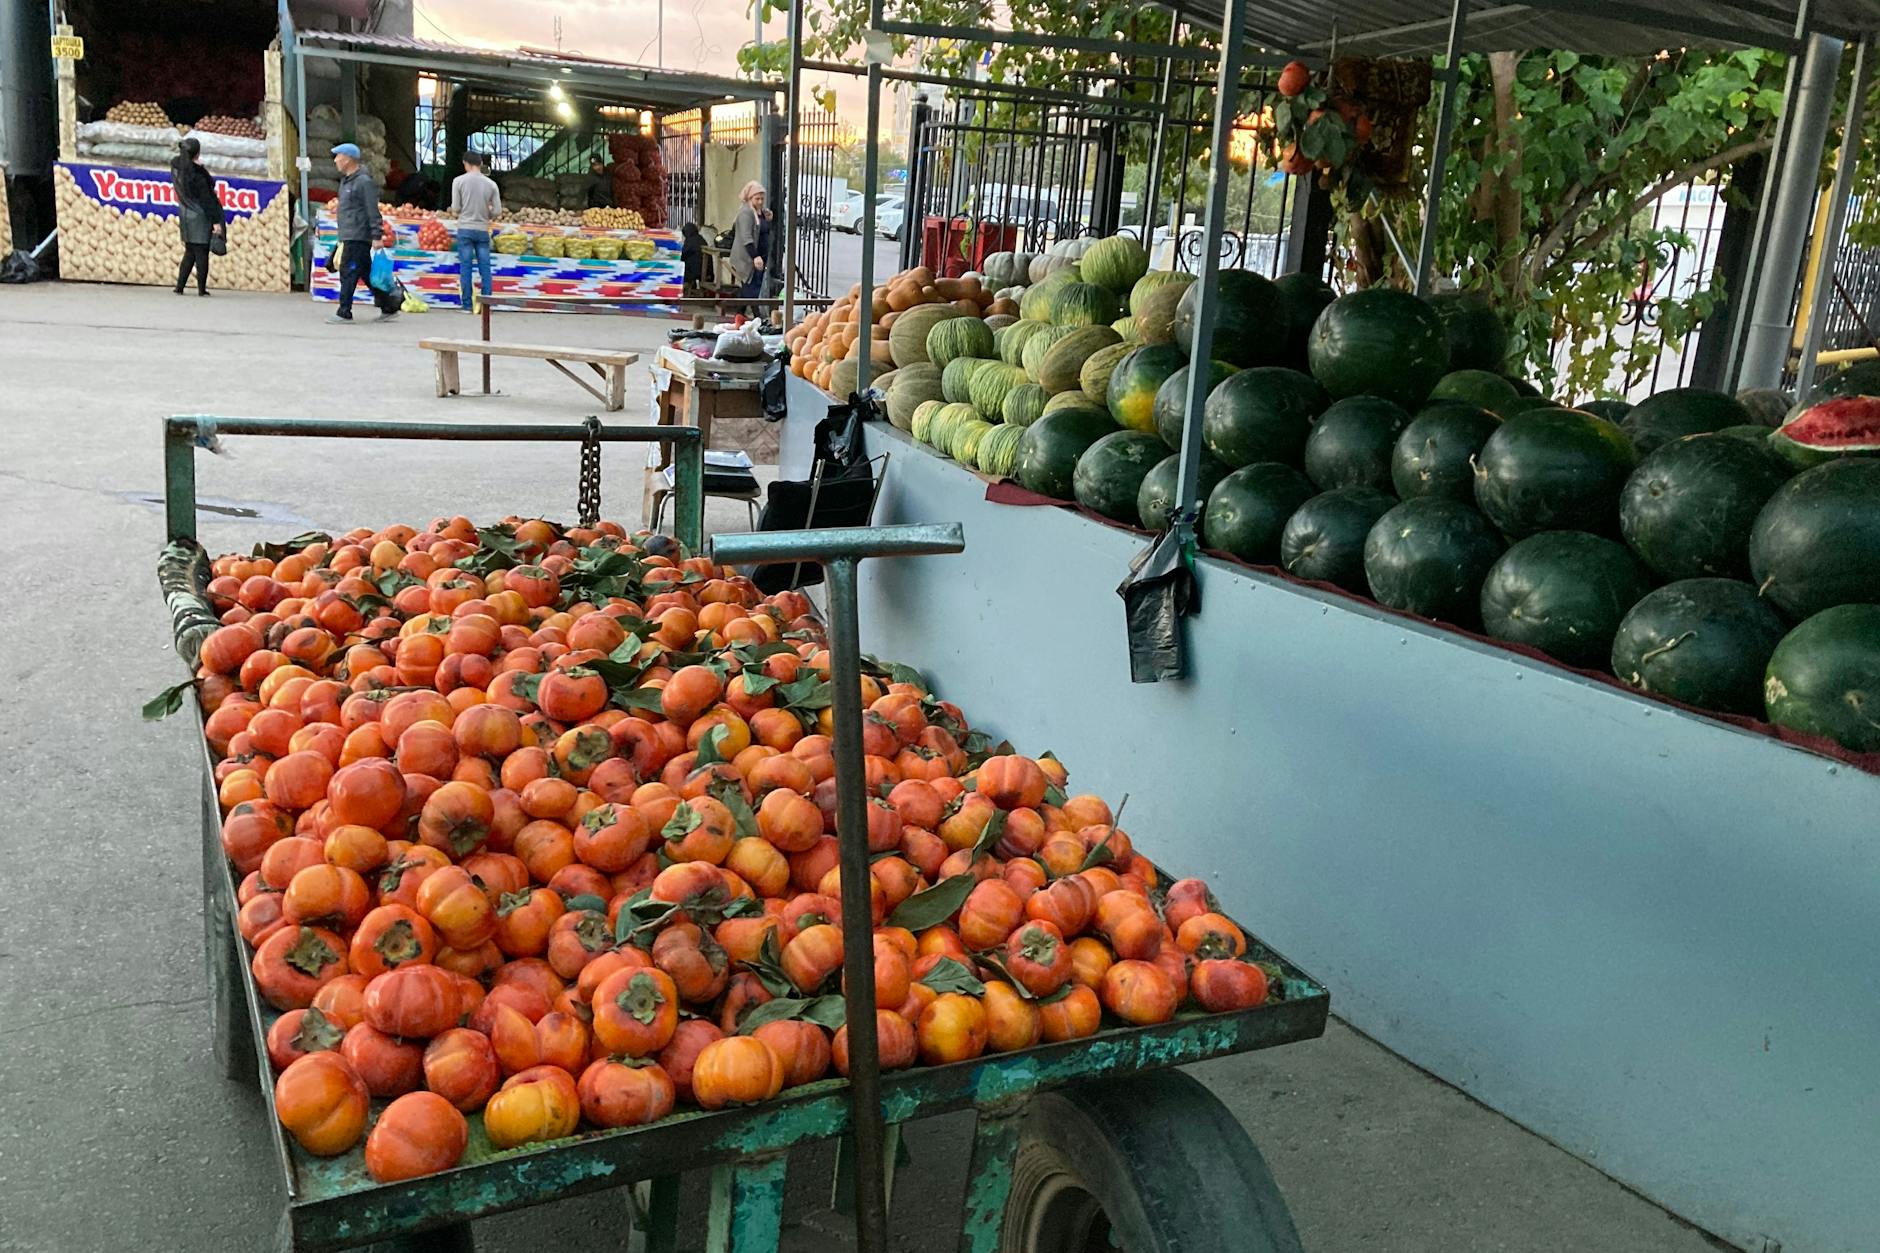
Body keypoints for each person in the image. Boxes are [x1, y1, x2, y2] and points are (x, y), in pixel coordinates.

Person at [328, 142, 399, 324]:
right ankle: (389, 306)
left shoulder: (363, 182)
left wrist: (377, 235)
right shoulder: (346, 182)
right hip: (349, 235)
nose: (335, 160)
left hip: (358, 236)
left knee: (348, 273)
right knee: (366, 273)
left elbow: (372, 210)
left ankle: (344, 312)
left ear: (348, 159)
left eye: (338, 156)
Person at [170, 137, 226, 296]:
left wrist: (196, 164)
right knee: (201, 253)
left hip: (186, 214)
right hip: (200, 216)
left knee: (189, 252)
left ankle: (180, 286)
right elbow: (207, 198)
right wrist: (215, 222)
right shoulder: (197, 174)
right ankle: (201, 289)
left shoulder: (176, 166)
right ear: (197, 153)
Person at [450, 150, 502, 312]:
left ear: (466, 164)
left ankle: (467, 305)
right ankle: (486, 305)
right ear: (481, 164)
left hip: (465, 228)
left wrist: (463, 211)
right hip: (482, 230)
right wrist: (486, 213)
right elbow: (497, 210)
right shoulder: (491, 184)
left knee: (466, 267)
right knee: (485, 267)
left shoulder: (458, 181)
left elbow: (456, 208)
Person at [729, 181, 772, 302]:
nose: (760, 202)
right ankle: (753, 313)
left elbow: (762, 230)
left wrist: (767, 218)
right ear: (749, 198)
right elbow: (746, 237)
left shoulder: (761, 212)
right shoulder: (746, 213)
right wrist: (755, 256)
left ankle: (739, 312)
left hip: (760, 258)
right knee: (750, 292)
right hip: (748, 259)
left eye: (762, 199)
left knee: (751, 291)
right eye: (757, 199)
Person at [680, 222, 704, 296]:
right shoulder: (701, 239)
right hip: (705, 270)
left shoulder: (690, 241)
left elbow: (683, 254)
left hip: (694, 271)